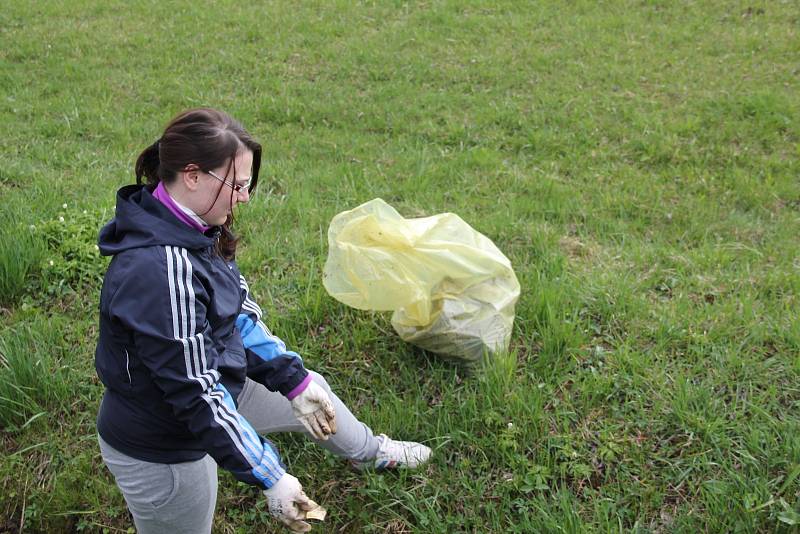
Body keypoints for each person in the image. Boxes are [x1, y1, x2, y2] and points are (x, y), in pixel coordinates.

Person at [95, 108, 431, 533]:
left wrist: (293, 379)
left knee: (315, 391)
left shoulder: (193, 224)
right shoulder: (159, 271)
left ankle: (371, 452)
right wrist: (270, 475)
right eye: (236, 185)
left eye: (247, 185)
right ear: (193, 175)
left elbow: (236, 316)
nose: (245, 197)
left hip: (218, 384)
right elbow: (195, 393)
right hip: (165, 442)